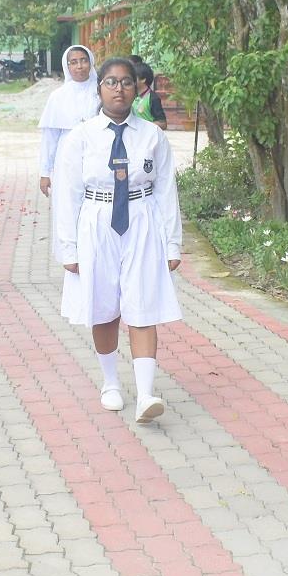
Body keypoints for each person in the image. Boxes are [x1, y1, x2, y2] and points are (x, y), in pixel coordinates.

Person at [52, 56, 183, 423]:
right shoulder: (81, 137)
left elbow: (166, 190)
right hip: (96, 222)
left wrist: (172, 242)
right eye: (111, 82)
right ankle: (110, 382)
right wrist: (68, 247)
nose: (119, 89)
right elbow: (68, 194)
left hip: (142, 221)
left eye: (126, 82)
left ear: (137, 88)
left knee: (143, 305)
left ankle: (145, 394)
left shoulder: (152, 136)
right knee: (104, 305)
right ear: (99, 89)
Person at [39, 43, 101, 197]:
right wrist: (44, 173)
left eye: (83, 60)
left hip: (98, 149)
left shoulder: (102, 91)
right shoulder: (58, 96)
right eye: (73, 62)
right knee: (67, 200)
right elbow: (50, 138)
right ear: (67, 66)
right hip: (66, 153)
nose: (79, 66)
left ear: (91, 62)